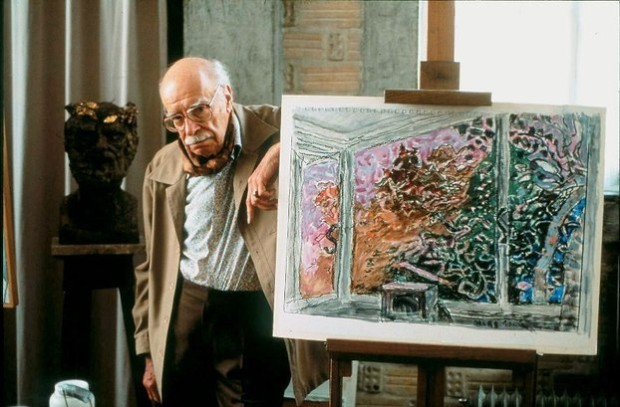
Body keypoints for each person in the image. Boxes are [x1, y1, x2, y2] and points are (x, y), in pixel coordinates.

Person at [132, 57, 329, 406]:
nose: (190, 129)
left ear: (226, 96)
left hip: (250, 313)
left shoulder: (276, 126)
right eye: (177, 119)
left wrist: (274, 157)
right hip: (184, 307)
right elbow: (150, 266)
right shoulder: (162, 165)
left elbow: (338, 129)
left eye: (198, 110)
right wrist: (149, 352)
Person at [60, 101, 140, 244]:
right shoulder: (67, 210)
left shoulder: (130, 210)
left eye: (114, 137)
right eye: (86, 138)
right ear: (69, 146)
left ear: (132, 145)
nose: (100, 146)